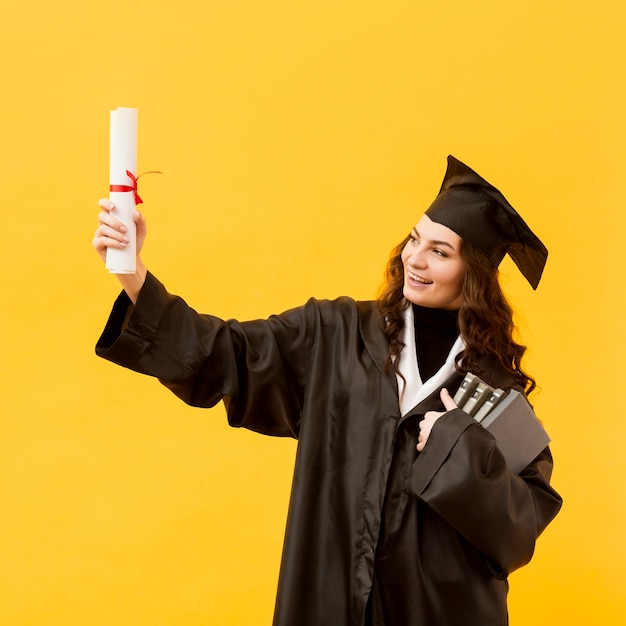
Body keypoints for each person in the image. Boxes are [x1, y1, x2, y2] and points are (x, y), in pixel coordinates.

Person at [93, 155, 562, 626]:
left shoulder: (495, 390)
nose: (414, 259)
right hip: (331, 601)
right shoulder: (336, 336)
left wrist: (459, 447)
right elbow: (226, 354)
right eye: (414, 240)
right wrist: (132, 273)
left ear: (474, 274)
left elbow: (518, 533)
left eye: (440, 252)